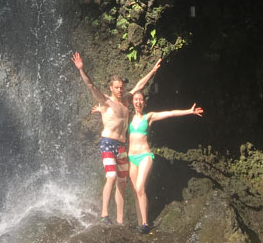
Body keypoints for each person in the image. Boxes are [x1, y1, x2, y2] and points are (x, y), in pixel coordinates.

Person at [71, 52, 162, 225]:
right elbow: (91, 85)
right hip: (108, 143)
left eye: (121, 87)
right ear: (111, 88)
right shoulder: (105, 101)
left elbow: (140, 85)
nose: (120, 90)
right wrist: (81, 70)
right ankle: (105, 214)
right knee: (111, 176)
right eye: (117, 87)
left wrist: (152, 71)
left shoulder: (127, 101)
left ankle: (120, 220)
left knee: (122, 182)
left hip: (122, 146)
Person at [128, 90, 203, 233]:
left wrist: (189, 111)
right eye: (136, 99)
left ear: (144, 102)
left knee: (139, 188)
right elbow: (114, 114)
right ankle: (140, 223)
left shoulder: (148, 117)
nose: (138, 102)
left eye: (141, 100)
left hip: (145, 156)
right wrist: (102, 109)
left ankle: (145, 223)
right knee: (135, 192)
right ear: (133, 102)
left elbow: (170, 113)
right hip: (131, 158)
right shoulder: (129, 118)